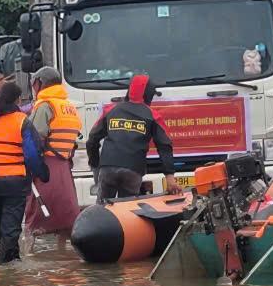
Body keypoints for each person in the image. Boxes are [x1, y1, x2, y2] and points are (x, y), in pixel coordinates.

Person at [0, 81, 49, 264]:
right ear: (18, 99)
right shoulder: (22, 121)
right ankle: (5, 268)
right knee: (11, 225)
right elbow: (31, 154)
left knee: (0, 221)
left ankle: (12, 257)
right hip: (14, 180)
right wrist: (42, 173)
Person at [86, 74, 180, 203]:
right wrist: (169, 176)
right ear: (148, 94)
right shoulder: (153, 116)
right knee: (128, 212)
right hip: (133, 170)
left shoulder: (111, 110)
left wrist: (95, 164)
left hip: (108, 168)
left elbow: (92, 139)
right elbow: (165, 146)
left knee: (102, 209)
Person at [24, 66, 81, 234]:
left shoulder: (45, 106)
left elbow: (35, 137)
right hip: (64, 166)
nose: (33, 88)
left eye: (34, 84)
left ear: (40, 84)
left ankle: (30, 252)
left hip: (46, 166)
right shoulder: (69, 106)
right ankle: (63, 251)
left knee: (37, 214)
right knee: (66, 212)